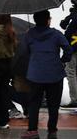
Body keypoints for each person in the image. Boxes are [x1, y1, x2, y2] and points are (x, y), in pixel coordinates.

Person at [21, 10, 73, 139]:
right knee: (53, 105)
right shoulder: (56, 34)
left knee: (33, 104)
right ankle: (52, 132)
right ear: (48, 20)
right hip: (54, 73)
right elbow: (68, 48)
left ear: (35, 20)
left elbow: (24, 52)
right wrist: (63, 61)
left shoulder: (29, 34)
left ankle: (32, 131)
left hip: (35, 74)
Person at [60, 0, 77, 109]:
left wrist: (64, 40)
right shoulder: (74, 12)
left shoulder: (75, 13)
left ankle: (75, 99)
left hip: (74, 45)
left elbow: (71, 29)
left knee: (70, 72)